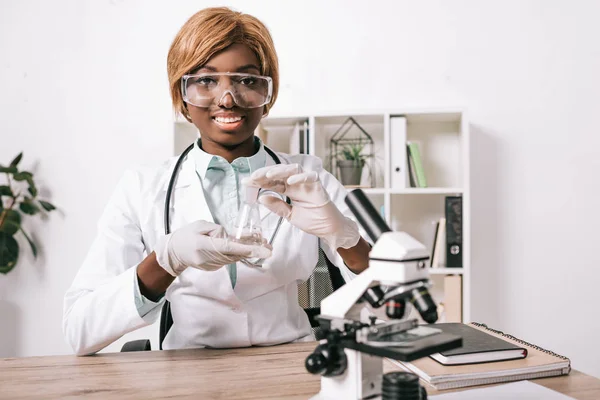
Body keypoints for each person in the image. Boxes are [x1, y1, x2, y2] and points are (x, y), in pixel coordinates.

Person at [63, 6, 371, 356]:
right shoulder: (142, 187)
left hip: (292, 363)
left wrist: (345, 237)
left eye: (248, 80)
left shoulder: (308, 179)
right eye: (206, 80)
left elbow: (397, 305)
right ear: (181, 95)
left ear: (267, 96)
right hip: (185, 371)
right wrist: (165, 260)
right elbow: (78, 329)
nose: (227, 98)